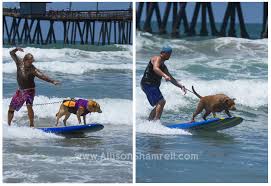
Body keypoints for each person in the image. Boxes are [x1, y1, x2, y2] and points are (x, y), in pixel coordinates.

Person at [8, 47, 60, 127]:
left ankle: (31, 125)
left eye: (32, 62)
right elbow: (11, 53)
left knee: (29, 106)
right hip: (20, 91)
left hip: (30, 91)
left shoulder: (33, 69)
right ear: (25, 60)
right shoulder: (19, 62)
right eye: (29, 62)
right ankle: (8, 125)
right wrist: (16, 49)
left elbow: (42, 76)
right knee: (11, 108)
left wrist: (52, 81)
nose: (31, 63)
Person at [140, 46, 187, 121]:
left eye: (170, 54)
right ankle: (156, 122)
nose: (169, 55)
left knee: (159, 104)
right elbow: (155, 68)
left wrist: (181, 86)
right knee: (161, 102)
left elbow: (171, 78)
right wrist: (165, 75)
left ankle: (149, 121)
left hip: (153, 86)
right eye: (168, 53)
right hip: (147, 84)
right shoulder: (156, 58)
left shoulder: (163, 67)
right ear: (162, 53)